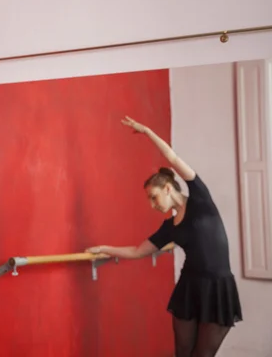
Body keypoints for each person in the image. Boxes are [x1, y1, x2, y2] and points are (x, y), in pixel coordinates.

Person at [86, 116, 242, 357]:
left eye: (154, 197)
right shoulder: (169, 227)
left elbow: (172, 158)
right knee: (182, 352)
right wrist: (105, 248)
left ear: (168, 188)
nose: (152, 204)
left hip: (218, 287)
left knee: (202, 355)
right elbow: (138, 251)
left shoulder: (200, 198)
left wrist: (147, 131)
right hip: (189, 287)